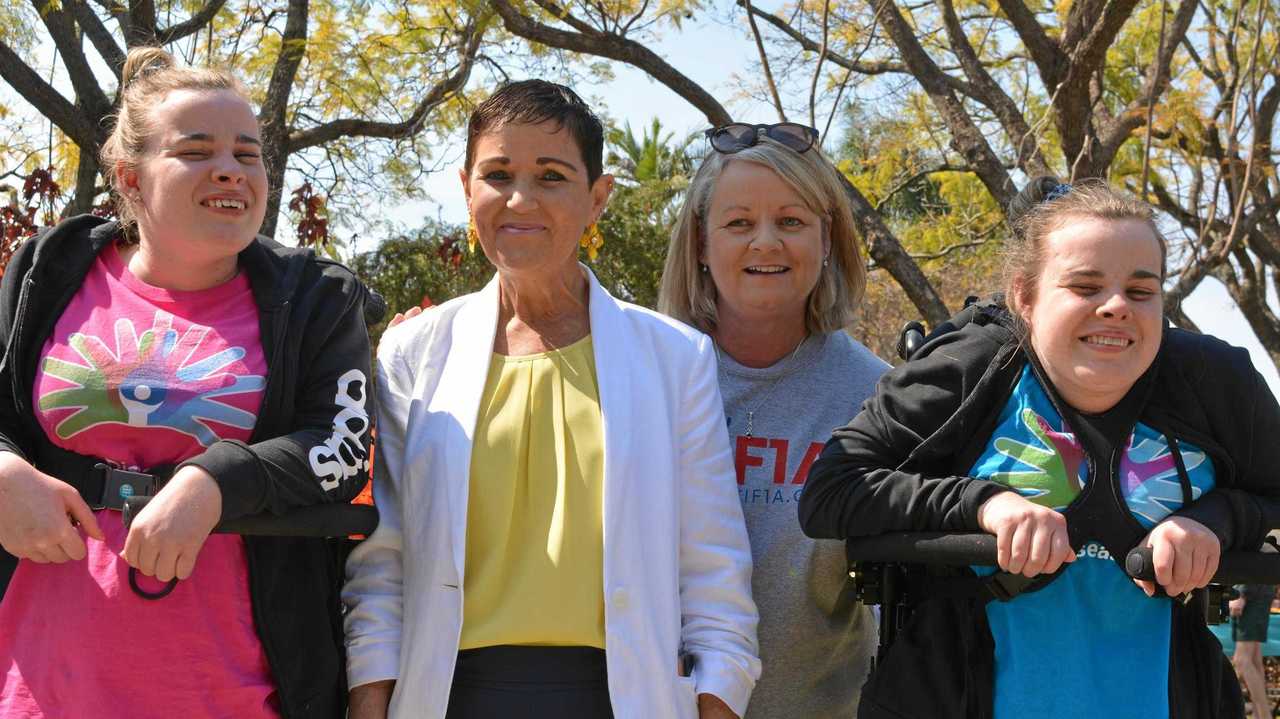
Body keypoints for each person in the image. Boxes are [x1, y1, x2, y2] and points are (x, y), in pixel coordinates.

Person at [342, 80, 759, 719]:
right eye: (498, 173)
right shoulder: (412, 354)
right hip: (447, 697)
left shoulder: (675, 359)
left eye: (552, 176)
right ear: (465, 189)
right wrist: (370, 703)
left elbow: (715, 573)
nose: (520, 198)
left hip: (624, 697)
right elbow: (383, 563)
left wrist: (717, 701)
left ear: (597, 198)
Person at [799, 177, 1280, 719]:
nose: (1117, 306)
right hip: (955, 695)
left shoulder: (1214, 382)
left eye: (1142, 291)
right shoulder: (973, 368)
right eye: (1085, 286)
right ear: (1024, 296)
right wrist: (984, 505)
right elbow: (831, 490)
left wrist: (1214, 521)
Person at [0, 47, 374, 718]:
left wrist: (216, 481)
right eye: (196, 151)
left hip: (235, 693)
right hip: (36, 691)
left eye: (247, 152)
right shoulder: (44, 274)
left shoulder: (317, 297)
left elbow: (342, 447)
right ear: (131, 178)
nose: (229, 168)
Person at [658, 122, 887, 717]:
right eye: (738, 223)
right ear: (701, 246)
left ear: (827, 241)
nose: (765, 242)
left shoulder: (882, 398)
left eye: (791, 221)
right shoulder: (642, 378)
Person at [1231, 583, 1276, 719]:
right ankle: (1260, 715)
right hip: (1259, 592)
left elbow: (1251, 563)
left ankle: (1264, 715)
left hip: (1252, 594)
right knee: (1254, 659)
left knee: (1241, 661)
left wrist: (1242, 594)